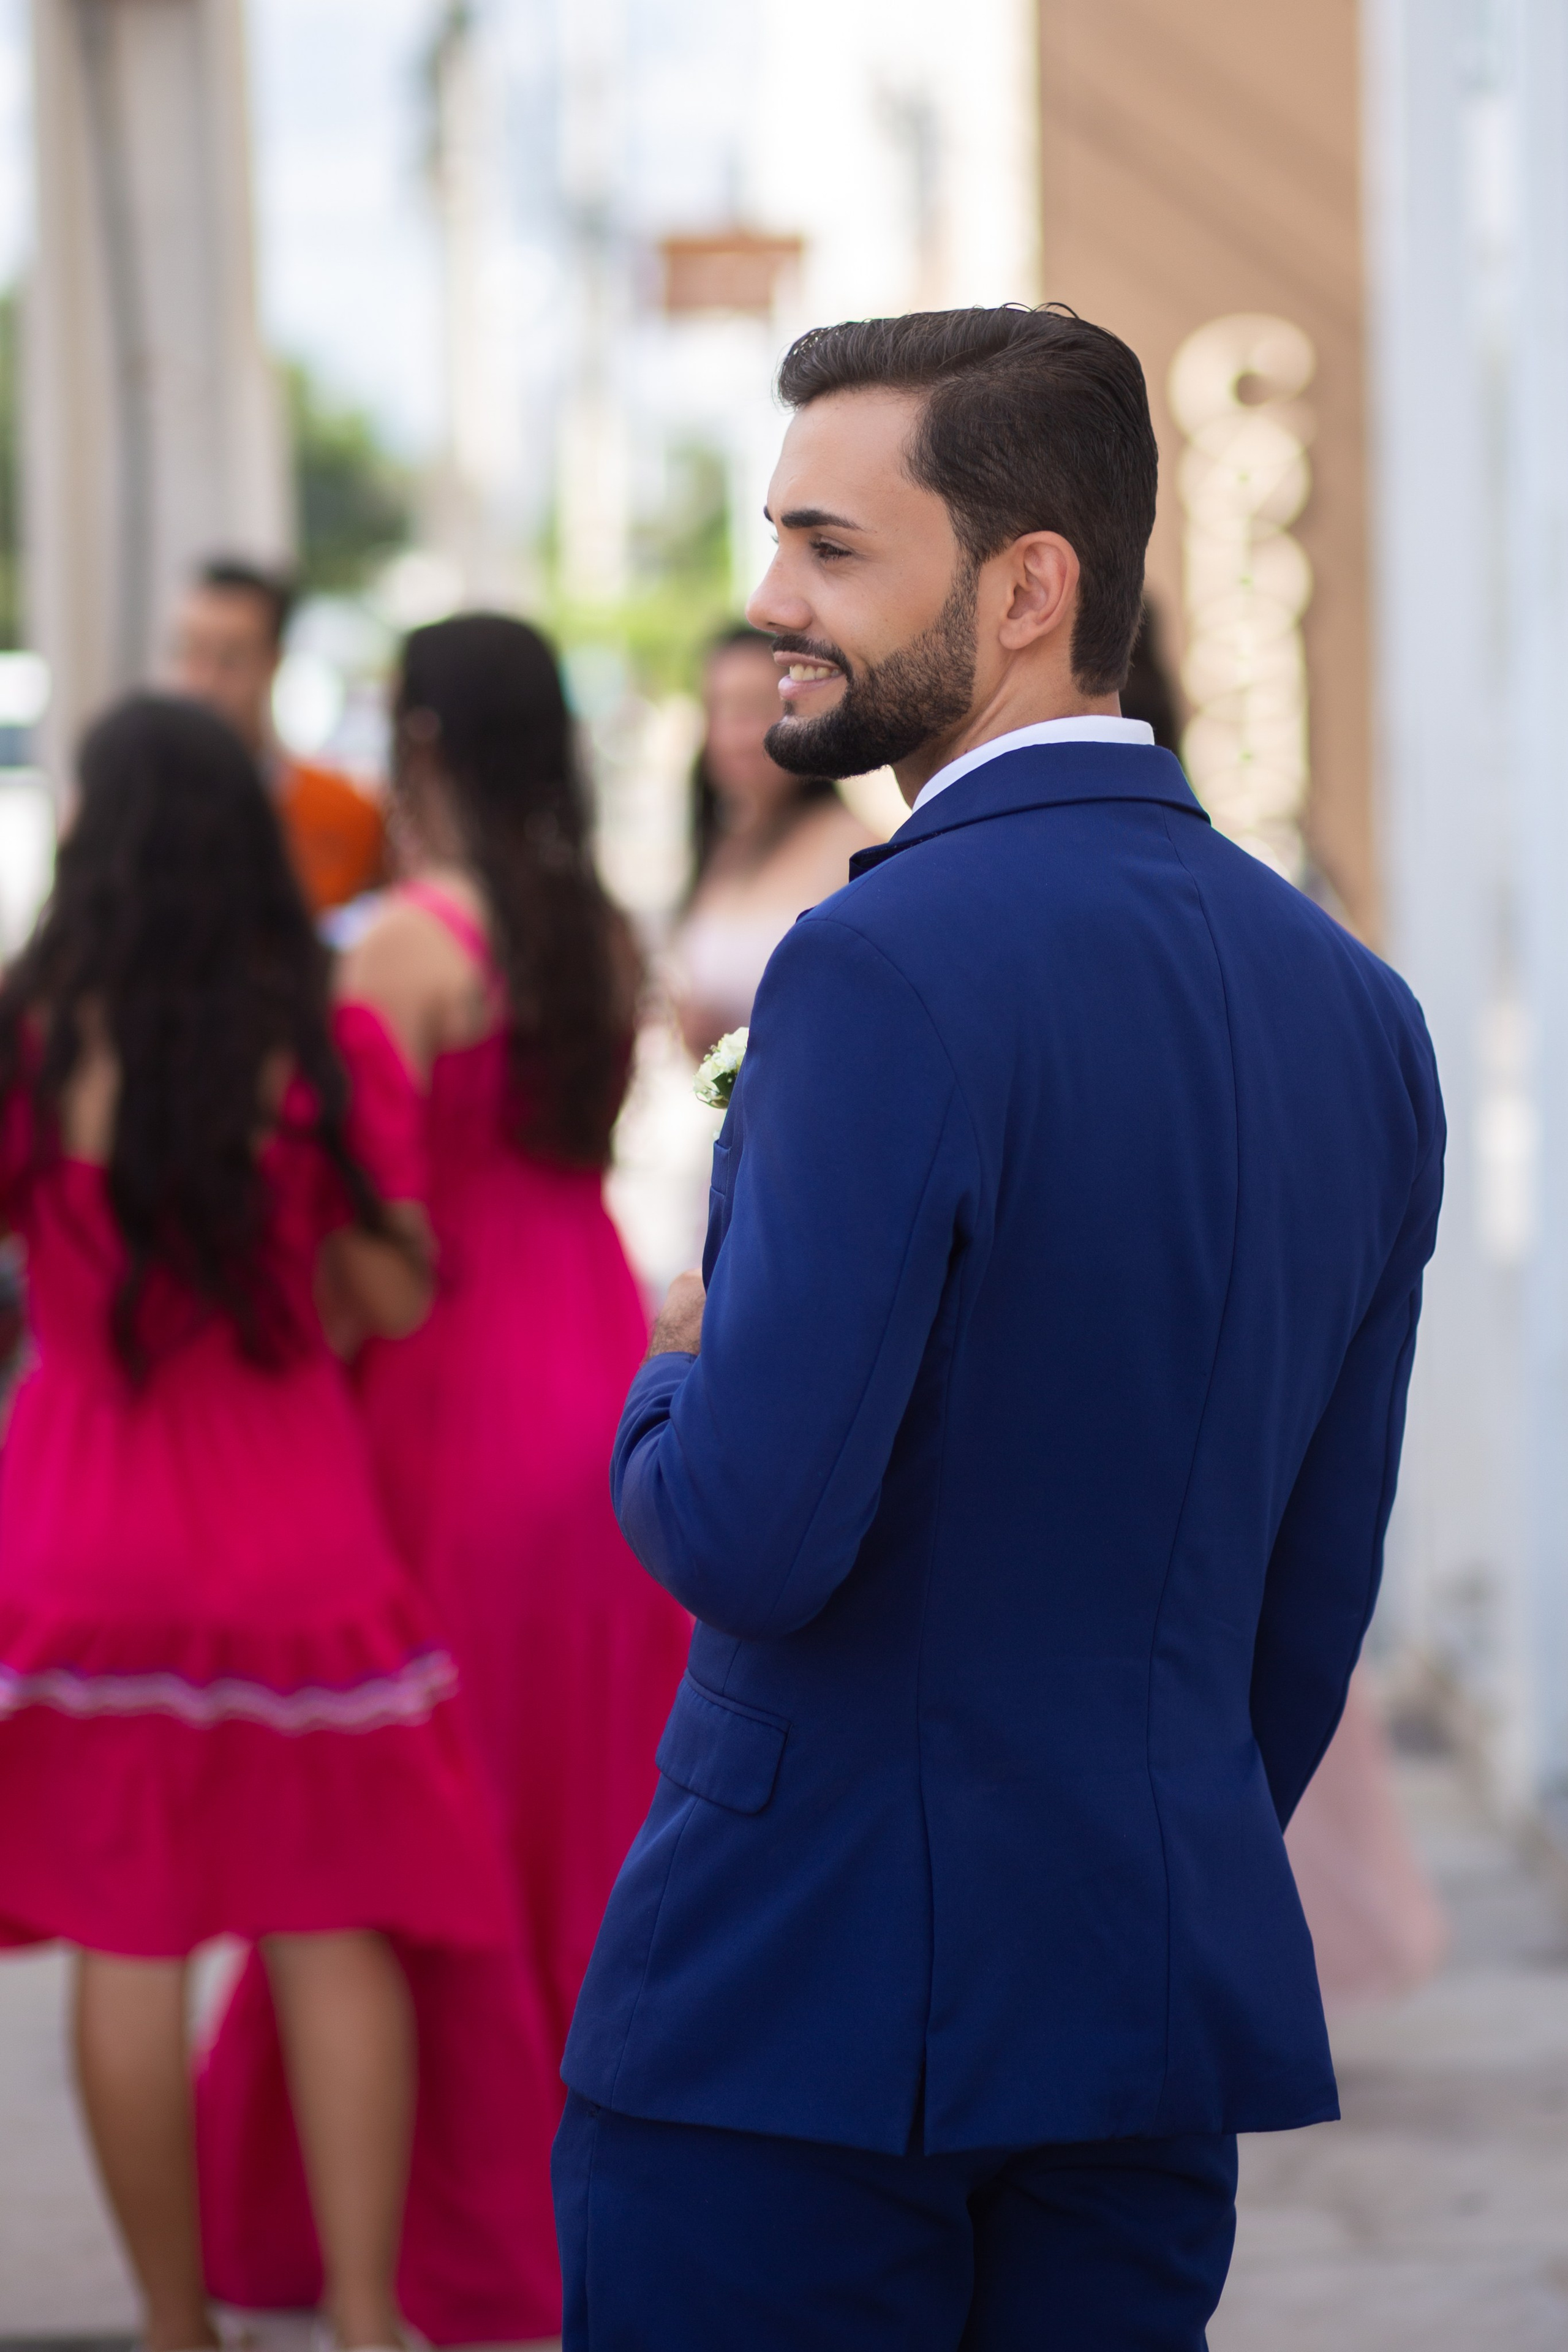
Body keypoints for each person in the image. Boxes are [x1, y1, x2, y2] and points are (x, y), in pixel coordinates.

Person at [554, 306, 1444, 2349]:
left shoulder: (872, 966)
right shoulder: (1362, 1015)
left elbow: (755, 1533)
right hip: (1135, 2013)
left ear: (1031, 588)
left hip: (799, 2016)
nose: (771, 597)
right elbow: (1312, 1599)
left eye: (831, 547)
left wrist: (672, 1367)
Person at [0, 696, 516, 2351]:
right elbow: (387, 1287)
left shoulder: (32, 1033)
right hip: (291, 1522)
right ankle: (366, 2321)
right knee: (331, 1915)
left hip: (81, 1522)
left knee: (126, 1934)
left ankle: (173, 2327)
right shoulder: (318, 1038)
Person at [198, 614, 692, 2340]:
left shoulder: (405, 948)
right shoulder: (596, 929)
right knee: (586, 1824)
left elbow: (363, 1230)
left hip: (450, 1416)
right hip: (604, 1390)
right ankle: (614, 2216)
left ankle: (451, 2246)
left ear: (418, 742)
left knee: (426, 1831)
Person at [671, 624, 875, 1061]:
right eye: (717, 711)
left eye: (753, 709)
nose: (733, 737)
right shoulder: (725, 844)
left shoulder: (855, 850)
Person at [171, 558, 385, 913]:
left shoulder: (351, 815)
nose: (203, 683)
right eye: (191, 653)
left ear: (275, 661)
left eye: (230, 659)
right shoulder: (138, 819)